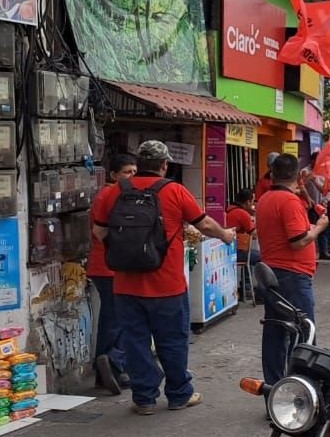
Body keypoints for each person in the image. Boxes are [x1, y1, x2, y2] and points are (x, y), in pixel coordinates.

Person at [92, 141, 236, 415]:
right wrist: (225, 235)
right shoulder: (174, 190)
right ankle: (179, 393)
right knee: (172, 341)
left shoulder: (113, 193)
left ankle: (144, 398)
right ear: (164, 164)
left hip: (125, 284)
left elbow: (99, 233)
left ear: (139, 163)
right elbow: (204, 224)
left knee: (135, 342)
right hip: (167, 284)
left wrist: (128, 250)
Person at [256, 154, 329, 385]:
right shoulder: (288, 202)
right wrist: (318, 228)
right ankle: (304, 389)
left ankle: (276, 387)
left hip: (273, 273)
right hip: (292, 275)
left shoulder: (266, 198)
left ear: (272, 174)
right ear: (298, 176)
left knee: (276, 332)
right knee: (303, 332)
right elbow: (297, 241)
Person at [88, 153, 137, 395]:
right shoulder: (109, 195)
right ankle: (111, 363)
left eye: (134, 172)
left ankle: (109, 369)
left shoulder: (113, 194)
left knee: (113, 319)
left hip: (108, 265)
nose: (131, 177)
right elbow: (101, 232)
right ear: (113, 175)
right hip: (108, 266)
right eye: (127, 172)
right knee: (116, 320)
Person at [226, 188, 260, 266]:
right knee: (263, 257)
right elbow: (254, 234)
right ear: (248, 202)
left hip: (226, 249)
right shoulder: (242, 213)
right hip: (236, 251)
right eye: (253, 201)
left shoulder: (229, 208)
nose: (253, 204)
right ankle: (248, 278)